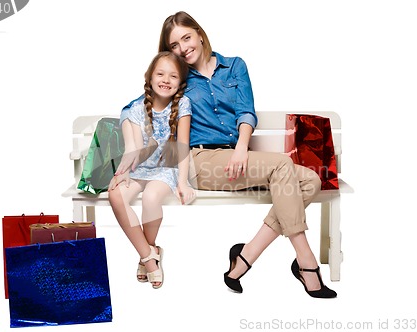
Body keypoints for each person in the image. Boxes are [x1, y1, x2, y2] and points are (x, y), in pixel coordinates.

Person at [121, 11, 336, 298]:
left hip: (239, 157)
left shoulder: (234, 66)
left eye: (186, 38)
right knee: (284, 166)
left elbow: (246, 110)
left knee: (310, 181)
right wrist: (130, 140)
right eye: (174, 45)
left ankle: (245, 256)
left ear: (199, 33)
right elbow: (141, 101)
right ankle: (306, 262)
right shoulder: (179, 77)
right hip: (203, 161)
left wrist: (241, 148)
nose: (183, 48)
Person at [108, 51, 196, 289]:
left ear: (180, 83)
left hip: (166, 169)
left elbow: (183, 145)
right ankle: (150, 253)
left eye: (173, 76)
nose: (166, 80)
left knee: (150, 197)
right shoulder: (136, 108)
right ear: (149, 77)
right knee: (115, 194)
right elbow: (136, 148)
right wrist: (124, 170)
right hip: (140, 169)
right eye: (160, 74)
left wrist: (183, 182)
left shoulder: (183, 104)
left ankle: (146, 256)